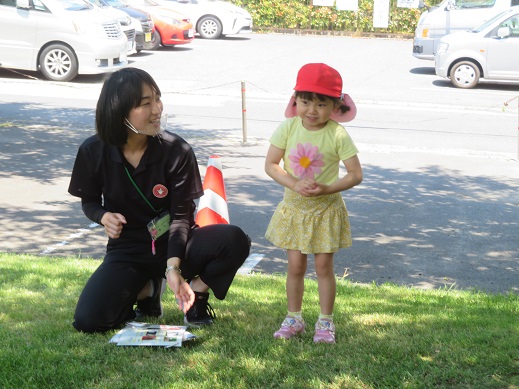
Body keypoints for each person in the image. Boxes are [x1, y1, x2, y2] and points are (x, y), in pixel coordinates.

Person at [68, 67, 251, 333]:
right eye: (146, 103)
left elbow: (179, 218)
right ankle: (147, 292)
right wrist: (103, 216)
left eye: (157, 99)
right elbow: (90, 202)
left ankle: (197, 297)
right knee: (89, 321)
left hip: (177, 244)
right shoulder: (92, 151)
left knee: (234, 240)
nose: (157, 109)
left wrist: (172, 267)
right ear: (119, 112)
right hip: (127, 249)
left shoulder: (178, 151)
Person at [264, 63, 363, 344]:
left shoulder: (337, 134)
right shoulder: (288, 127)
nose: (312, 110)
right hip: (295, 208)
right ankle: (294, 317)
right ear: (295, 100)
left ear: (335, 105)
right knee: (295, 266)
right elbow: (271, 164)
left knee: (323, 267)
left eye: (321, 104)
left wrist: (328, 188)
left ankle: (325, 322)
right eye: (305, 102)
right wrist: (293, 183)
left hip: (325, 208)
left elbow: (356, 174)